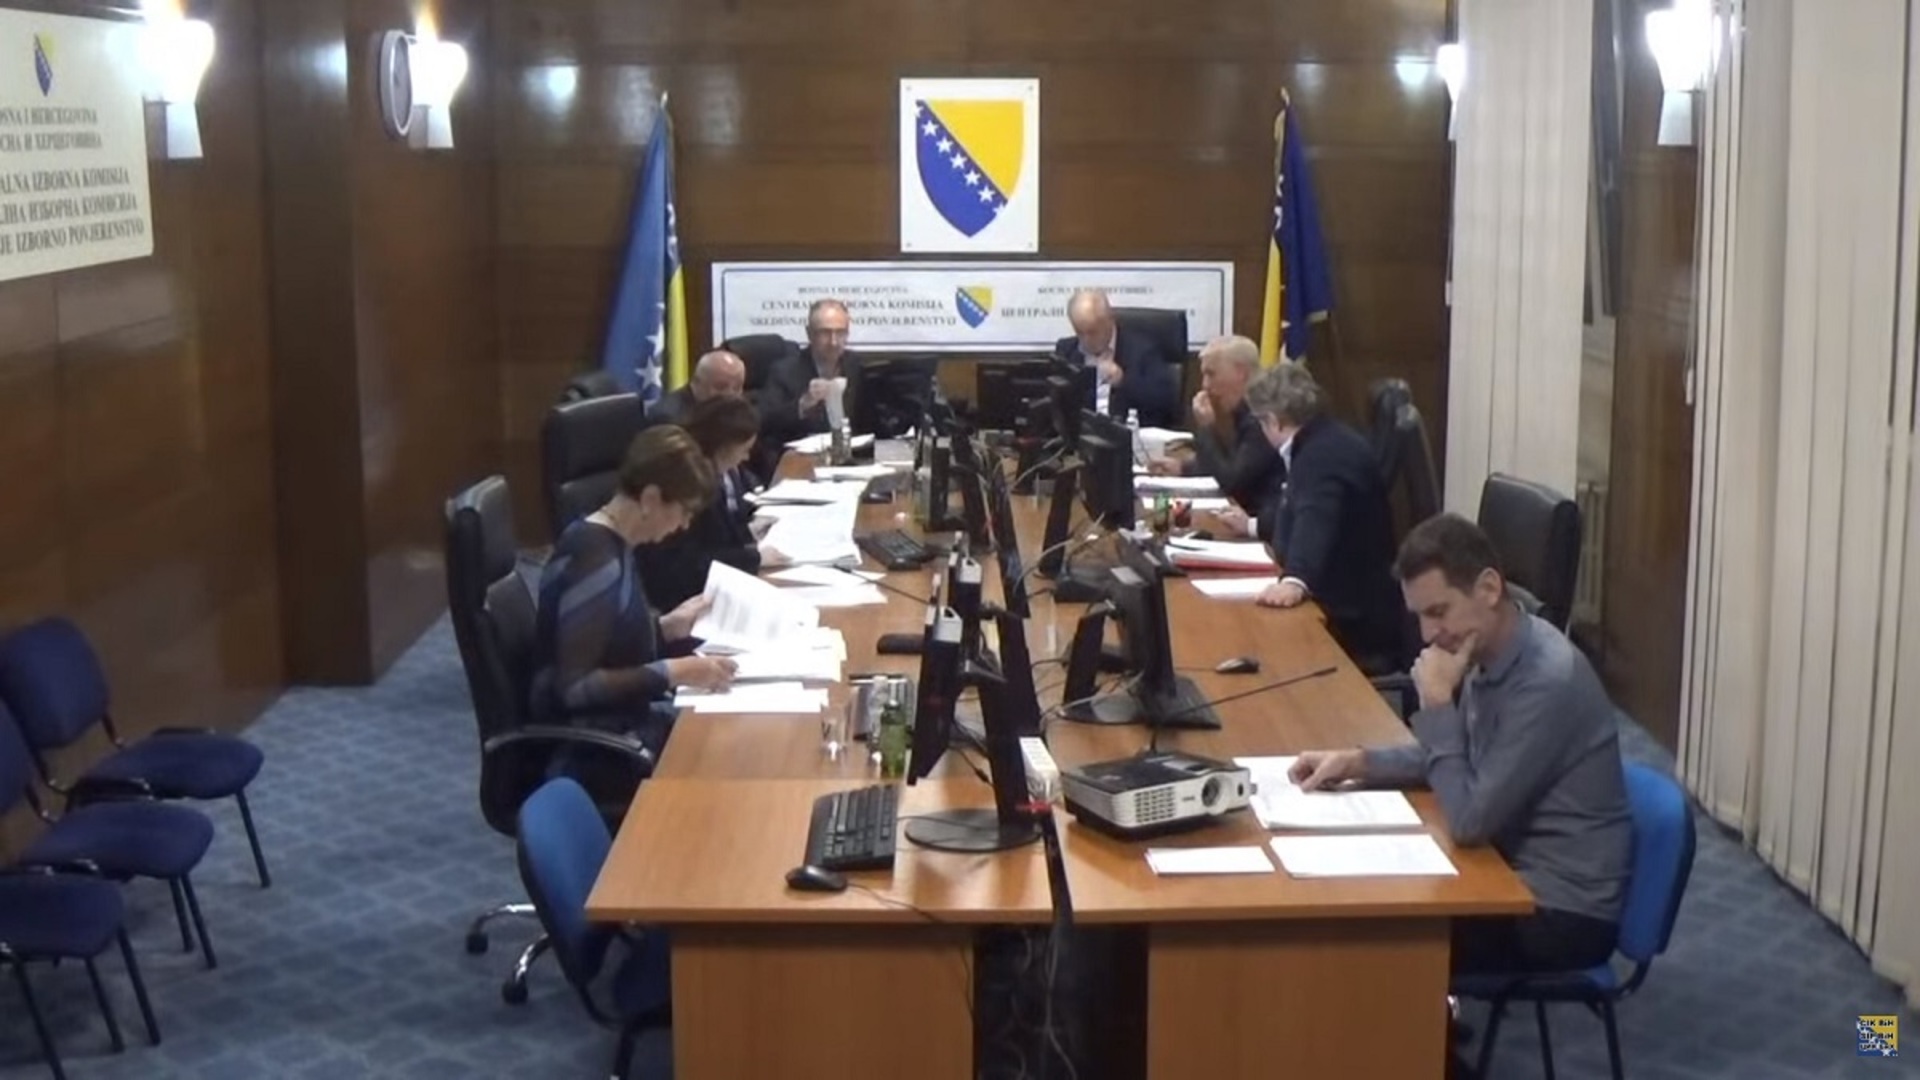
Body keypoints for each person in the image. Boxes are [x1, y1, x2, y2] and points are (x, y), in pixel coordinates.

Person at [1288, 513, 1632, 978]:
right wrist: (1361, 763)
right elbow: (1461, 752)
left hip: (1560, 909)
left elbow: (1470, 820)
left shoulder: (1547, 682)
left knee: (1369, 939)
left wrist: (1437, 703)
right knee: (1356, 908)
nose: (1428, 635)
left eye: (1438, 612)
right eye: (1419, 617)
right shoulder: (1486, 649)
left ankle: (1421, 1025)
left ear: (1488, 589)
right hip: (1504, 865)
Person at [531, 425, 738, 753]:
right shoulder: (594, 558)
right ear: (651, 498)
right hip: (597, 748)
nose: (684, 525)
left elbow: (611, 644)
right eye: (683, 511)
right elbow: (574, 688)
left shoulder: (615, 544)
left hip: (629, 721)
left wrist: (667, 627)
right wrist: (672, 672)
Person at [1231, 362, 1405, 668]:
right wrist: (1254, 526)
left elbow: (1317, 517)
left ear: (1272, 421)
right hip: (1344, 599)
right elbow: (1294, 510)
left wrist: (1295, 580)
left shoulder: (1323, 457)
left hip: (1350, 620)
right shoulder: (1322, 440)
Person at [635, 396, 788, 610]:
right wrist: (753, 558)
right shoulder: (688, 484)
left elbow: (715, 538)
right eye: (744, 449)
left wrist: (749, 531)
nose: (746, 458)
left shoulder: (718, 475)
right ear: (724, 446)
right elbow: (686, 566)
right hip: (685, 601)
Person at [1146, 334, 1282, 511]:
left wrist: (1206, 428)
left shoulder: (1263, 417)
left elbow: (1232, 483)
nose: (1205, 385)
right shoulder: (1243, 410)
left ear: (1241, 373)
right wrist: (1183, 468)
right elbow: (1229, 465)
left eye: (1211, 374)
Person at [1051, 288, 1179, 428]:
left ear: (1109, 321)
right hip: (1081, 432)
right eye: (1080, 332)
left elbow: (1165, 401)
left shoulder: (1142, 350)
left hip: (1125, 432)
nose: (1086, 340)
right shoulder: (1066, 350)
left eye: (1092, 332)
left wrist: (1123, 380)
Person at [757, 298, 866, 446]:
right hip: (802, 454)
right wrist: (802, 405)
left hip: (852, 452)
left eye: (840, 332)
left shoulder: (857, 367)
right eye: (825, 333)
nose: (833, 342)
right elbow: (764, 421)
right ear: (809, 333)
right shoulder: (785, 371)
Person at [645, 348, 748, 427]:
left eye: (737, 388)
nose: (730, 395)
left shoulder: (743, 410)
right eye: (721, 387)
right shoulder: (669, 418)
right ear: (697, 383)